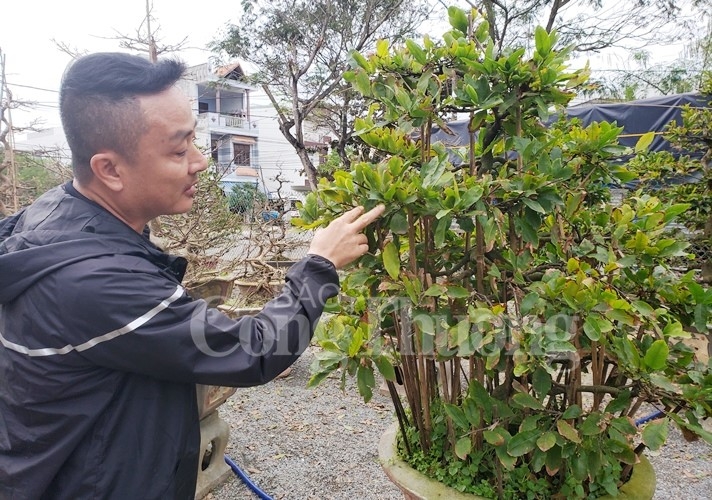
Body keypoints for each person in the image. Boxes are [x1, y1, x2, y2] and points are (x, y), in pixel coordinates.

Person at [0, 52, 384, 500]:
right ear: (109, 169)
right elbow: (253, 349)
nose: (200, 162)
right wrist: (318, 266)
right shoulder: (95, 281)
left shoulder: (54, 212)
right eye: (179, 150)